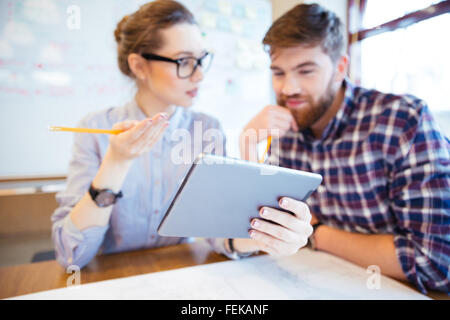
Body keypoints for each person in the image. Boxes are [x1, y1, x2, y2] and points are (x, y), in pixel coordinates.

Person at [52, 0, 313, 269]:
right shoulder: (94, 130)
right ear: (139, 66)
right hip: (110, 278)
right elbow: (72, 256)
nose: (199, 75)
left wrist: (265, 238)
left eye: (201, 60)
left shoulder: (208, 129)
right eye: (184, 61)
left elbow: (219, 234)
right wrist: (116, 163)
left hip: (180, 275)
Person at [238, 3, 449, 294]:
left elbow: (435, 262)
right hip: (315, 281)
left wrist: (316, 233)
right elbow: (262, 224)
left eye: (305, 71)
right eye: (278, 73)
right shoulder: (285, 126)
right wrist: (248, 143)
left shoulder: (403, 120)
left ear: (340, 67)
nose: (288, 89)